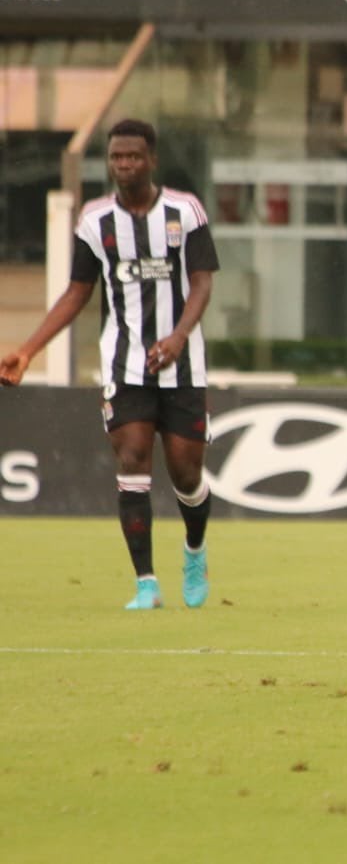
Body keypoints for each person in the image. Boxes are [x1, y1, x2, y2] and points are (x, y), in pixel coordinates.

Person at [0, 119, 220, 611]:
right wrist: (29, 349)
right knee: (132, 461)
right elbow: (77, 292)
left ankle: (194, 550)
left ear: (152, 159)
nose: (124, 165)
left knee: (186, 474)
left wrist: (179, 336)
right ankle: (146, 582)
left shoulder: (185, 212)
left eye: (134, 157)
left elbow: (203, 283)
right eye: (117, 157)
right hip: (124, 367)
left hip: (183, 366)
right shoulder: (95, 221)